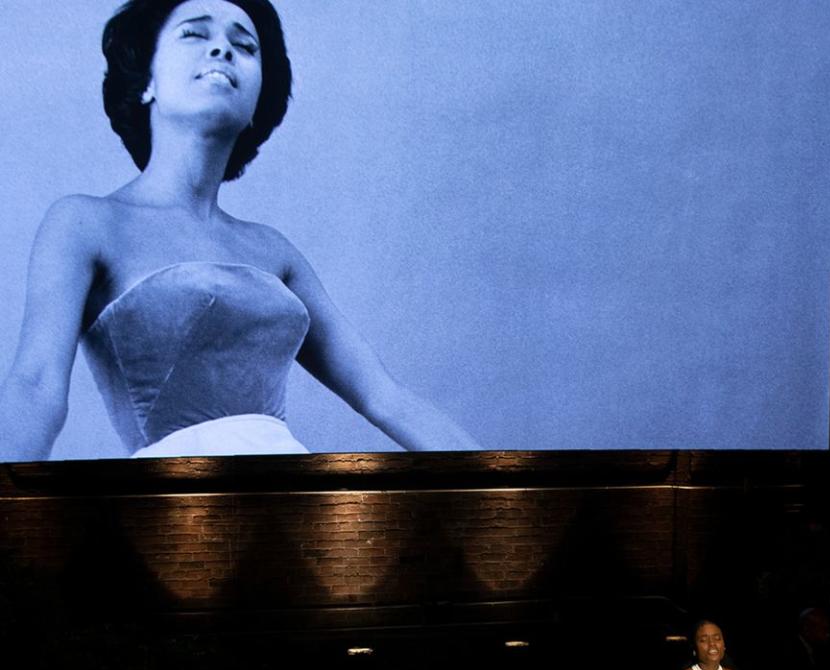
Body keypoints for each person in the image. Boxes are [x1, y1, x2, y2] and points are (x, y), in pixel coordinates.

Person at [0, 0, 479, 460]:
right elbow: (36, 385)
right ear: (146, 80)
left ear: (256, 103)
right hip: (172, 510)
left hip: (291, 501)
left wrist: (507, 483)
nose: (222, 50)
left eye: (245, 46)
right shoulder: (85, 222)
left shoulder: (274, 251)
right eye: (195, 34)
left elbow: (384, 396)